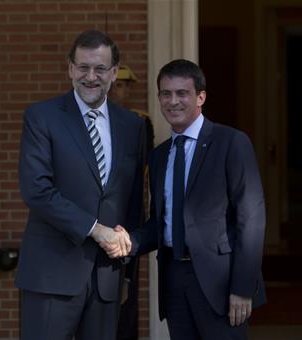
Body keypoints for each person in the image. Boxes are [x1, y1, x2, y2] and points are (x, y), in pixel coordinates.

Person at [15, 30, 146, 340]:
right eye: (83, 67)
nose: (91, 76)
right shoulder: (42, 117)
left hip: (107, 278)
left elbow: (133, 200)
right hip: (51, 274)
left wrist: (126, 270)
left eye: (100, 69)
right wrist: (95, 229)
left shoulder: (133, 126)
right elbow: (37, 190)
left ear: (114, 73)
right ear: (70, 68)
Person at [130, 59, 266, 340]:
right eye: (166, 94)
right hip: (174, 280)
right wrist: (127, 241)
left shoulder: (231, 142)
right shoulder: (159, 155)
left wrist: (242, 287)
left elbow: (251, 218)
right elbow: (161, 222)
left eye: (182, 93)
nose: (173, 101)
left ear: (201, 97)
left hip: (221, 283)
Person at [109, 65, 154, 340]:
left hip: (127, 208)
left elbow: (142, 164)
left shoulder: (139, 120)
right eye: (116, 85)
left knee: (127, 289)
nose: (120, 90)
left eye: (125, 86)